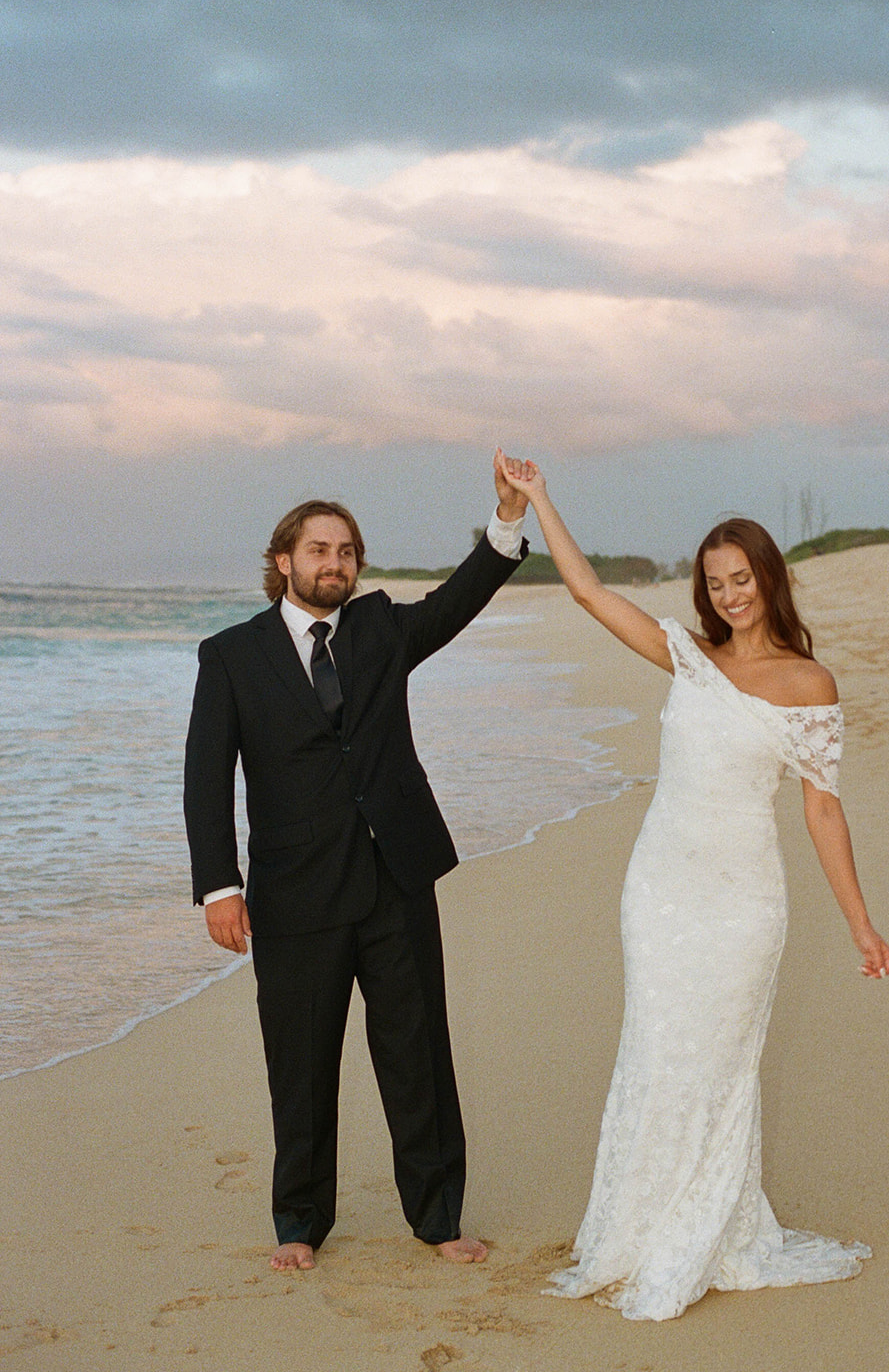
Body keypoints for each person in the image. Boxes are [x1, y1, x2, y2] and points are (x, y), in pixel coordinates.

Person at [497, 454, 889, 1322]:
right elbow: (589, 594)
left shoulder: (807, 685)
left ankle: (707, 1232)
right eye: (713, 582)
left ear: (767, 579)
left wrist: (860, 924)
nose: (727, 594)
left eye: (740, 578)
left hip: (744, 903)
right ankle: (637, 1231)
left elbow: (823, 814)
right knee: (656, 1054)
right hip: (659, 892)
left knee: (716, 1064)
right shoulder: (688, 658)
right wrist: (539, 501)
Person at [183, 454, 528, 1271]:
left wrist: (506, 519)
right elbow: (206, 775)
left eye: (344, 552)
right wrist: (218, 888)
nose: (332, 563)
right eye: (316, 550)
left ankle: (438, 1217)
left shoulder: (377, 631)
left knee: (417, 1055)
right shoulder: (230, 655)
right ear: (283, 562)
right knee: (299, 1063)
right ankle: (299, 1222)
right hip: (294, 897)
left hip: (393, 879)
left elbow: (454, 602)